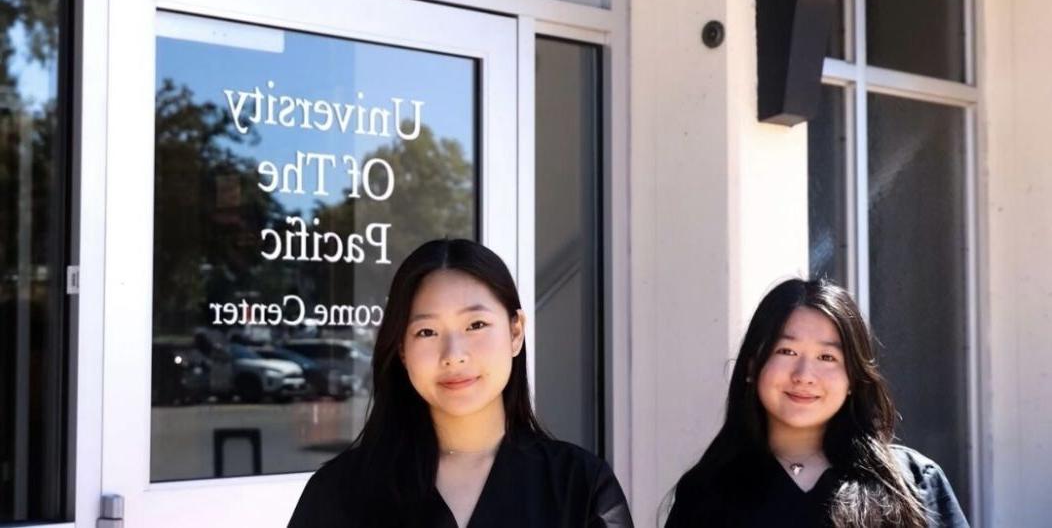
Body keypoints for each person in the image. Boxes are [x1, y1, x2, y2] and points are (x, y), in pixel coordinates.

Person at [289, 238, 632, 528]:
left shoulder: (579, 486)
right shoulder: (339, 492)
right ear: (403, 351)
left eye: (476, 325)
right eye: (427, 332)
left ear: (515, 332)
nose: (454, 355)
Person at [664, 279, 968, 528]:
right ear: (753, 367)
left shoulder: (913, 481)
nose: (804, 375)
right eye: (786, 352)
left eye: (827, 357)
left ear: (853, 378)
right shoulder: (708, 492)